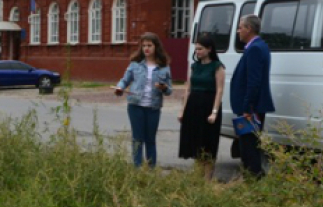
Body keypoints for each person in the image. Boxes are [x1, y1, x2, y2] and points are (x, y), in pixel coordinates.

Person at [114, 32, 173, 168]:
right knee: (137, 138)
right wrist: (119, 88)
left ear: (156, 47)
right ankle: (137, 168)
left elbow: (170, 90)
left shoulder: (163, 66)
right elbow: (125, 80)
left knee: (150, 139)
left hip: (153, 107)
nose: (146, 48)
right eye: (144, 45)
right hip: (136, 105)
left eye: (149, 45)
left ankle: (151, 169)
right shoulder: (135, 64)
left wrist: (164, 88)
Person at [230, 14, 275, 178]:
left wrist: (248, 108)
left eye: (240, 27)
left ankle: (254, 181)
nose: (238, 31)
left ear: (249, 29)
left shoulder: (255, 48)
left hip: (251, 109)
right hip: (251, 107)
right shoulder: (258, 46)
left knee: (249, 149)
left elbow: (253, 82)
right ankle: (251, 180)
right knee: (249, 146)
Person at [178, 34, 225, 180]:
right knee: (196, 142)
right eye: (196, 49)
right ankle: (198, 177)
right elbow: (188, 89)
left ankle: (207, 178)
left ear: (209, 49)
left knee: (208, 142)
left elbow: (220, 90)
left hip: (208, 105)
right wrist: (182, 110)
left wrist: (214, 112)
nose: (197, 51)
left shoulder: (217, 67)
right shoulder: (195, 66)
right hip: (194, 106)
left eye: (200, 48)